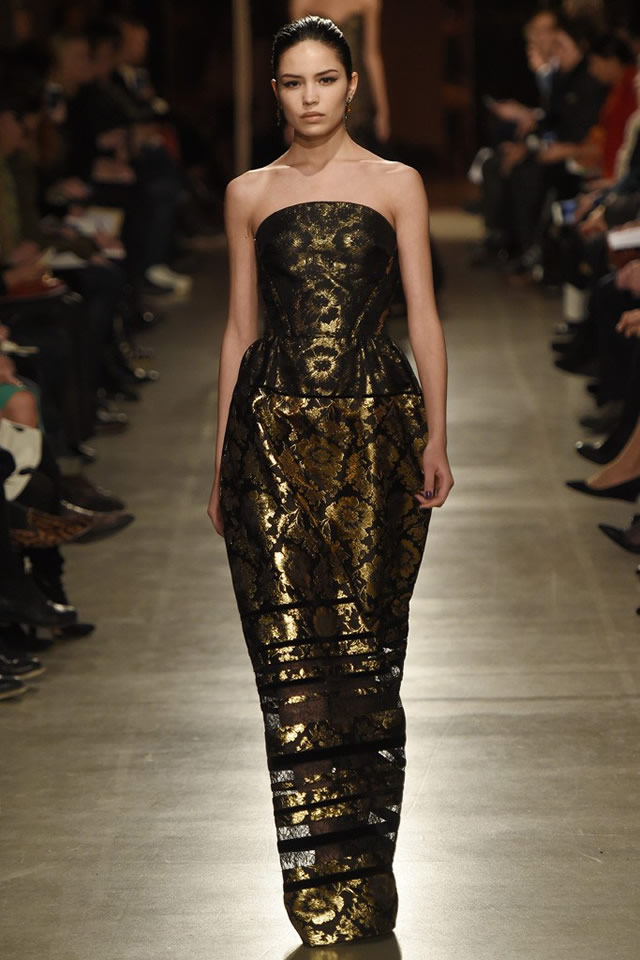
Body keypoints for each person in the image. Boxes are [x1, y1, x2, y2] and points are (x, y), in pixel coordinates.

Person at [207, 15, 453, 948]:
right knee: (291, 662)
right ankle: (318, 882)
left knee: (367, 654)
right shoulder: (248, 193)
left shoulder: (396, 184)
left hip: (377, 437)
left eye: (324, 79)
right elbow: (240, 331)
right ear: (275, 92)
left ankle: (366, 874)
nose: (309, 96)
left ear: (352, 86)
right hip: (270, 437)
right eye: (292, 82)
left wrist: (438, 433)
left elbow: (423, 316)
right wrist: (220, 460)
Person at [289, 0, 390, 146]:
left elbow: (371, 55)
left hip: (358, 98)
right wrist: (292, 116)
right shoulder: (302, 3)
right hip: (318, 96)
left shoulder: (369, 2)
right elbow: (298, 60)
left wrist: (382, 110)